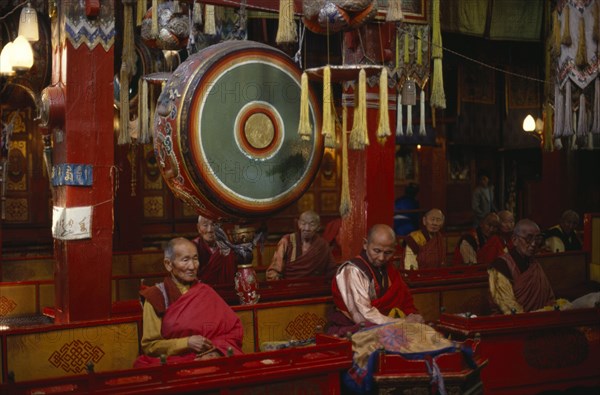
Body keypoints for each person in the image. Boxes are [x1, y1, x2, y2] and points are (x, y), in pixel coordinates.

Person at [134, 238, 243, 367]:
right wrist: (186, 343)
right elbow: (150, 346)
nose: (192, 266)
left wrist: (217, 351)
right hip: (175, 363)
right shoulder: (156, 296)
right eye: (185, 260)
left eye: (195, 259)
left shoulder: (206, 292)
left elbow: (233, 329)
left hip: (209, 358)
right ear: (168, 264)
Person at [328, 224, 422, 336]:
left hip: (387, 322)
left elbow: (404, 299)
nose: (382, 258)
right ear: (365, 244)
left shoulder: (389, 269)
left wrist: (412, 315)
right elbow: (363, 316)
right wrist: (402, 322)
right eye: (377, 251)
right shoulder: (352, 271)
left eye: (388, 253)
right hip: (356, 327)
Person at [488, 219, 556, 314]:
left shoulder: (534, 264)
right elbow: (509, 307)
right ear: (515, 240)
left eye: (537, 239)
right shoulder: (501, 266)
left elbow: (548, 297)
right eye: (528, 238)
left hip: (540, 319)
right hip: (511, 323)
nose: (533, 244)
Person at [266, 210, 338, 280]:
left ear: (318, 227)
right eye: (303, 224)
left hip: (315, 288)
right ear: (299, 224)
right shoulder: (287, 241)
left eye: (312, 225)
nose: (307, 228)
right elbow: (273, 270)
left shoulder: (322, 245)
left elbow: (331, 270)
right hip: (289, 287)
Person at [193, 215, 237, 285]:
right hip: (204, 292)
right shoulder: (193, 247)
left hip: (227, 291)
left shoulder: (228, 248)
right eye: (205, 225)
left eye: (214, 224)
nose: (210, 230)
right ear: (198, 227)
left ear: (221, 228)